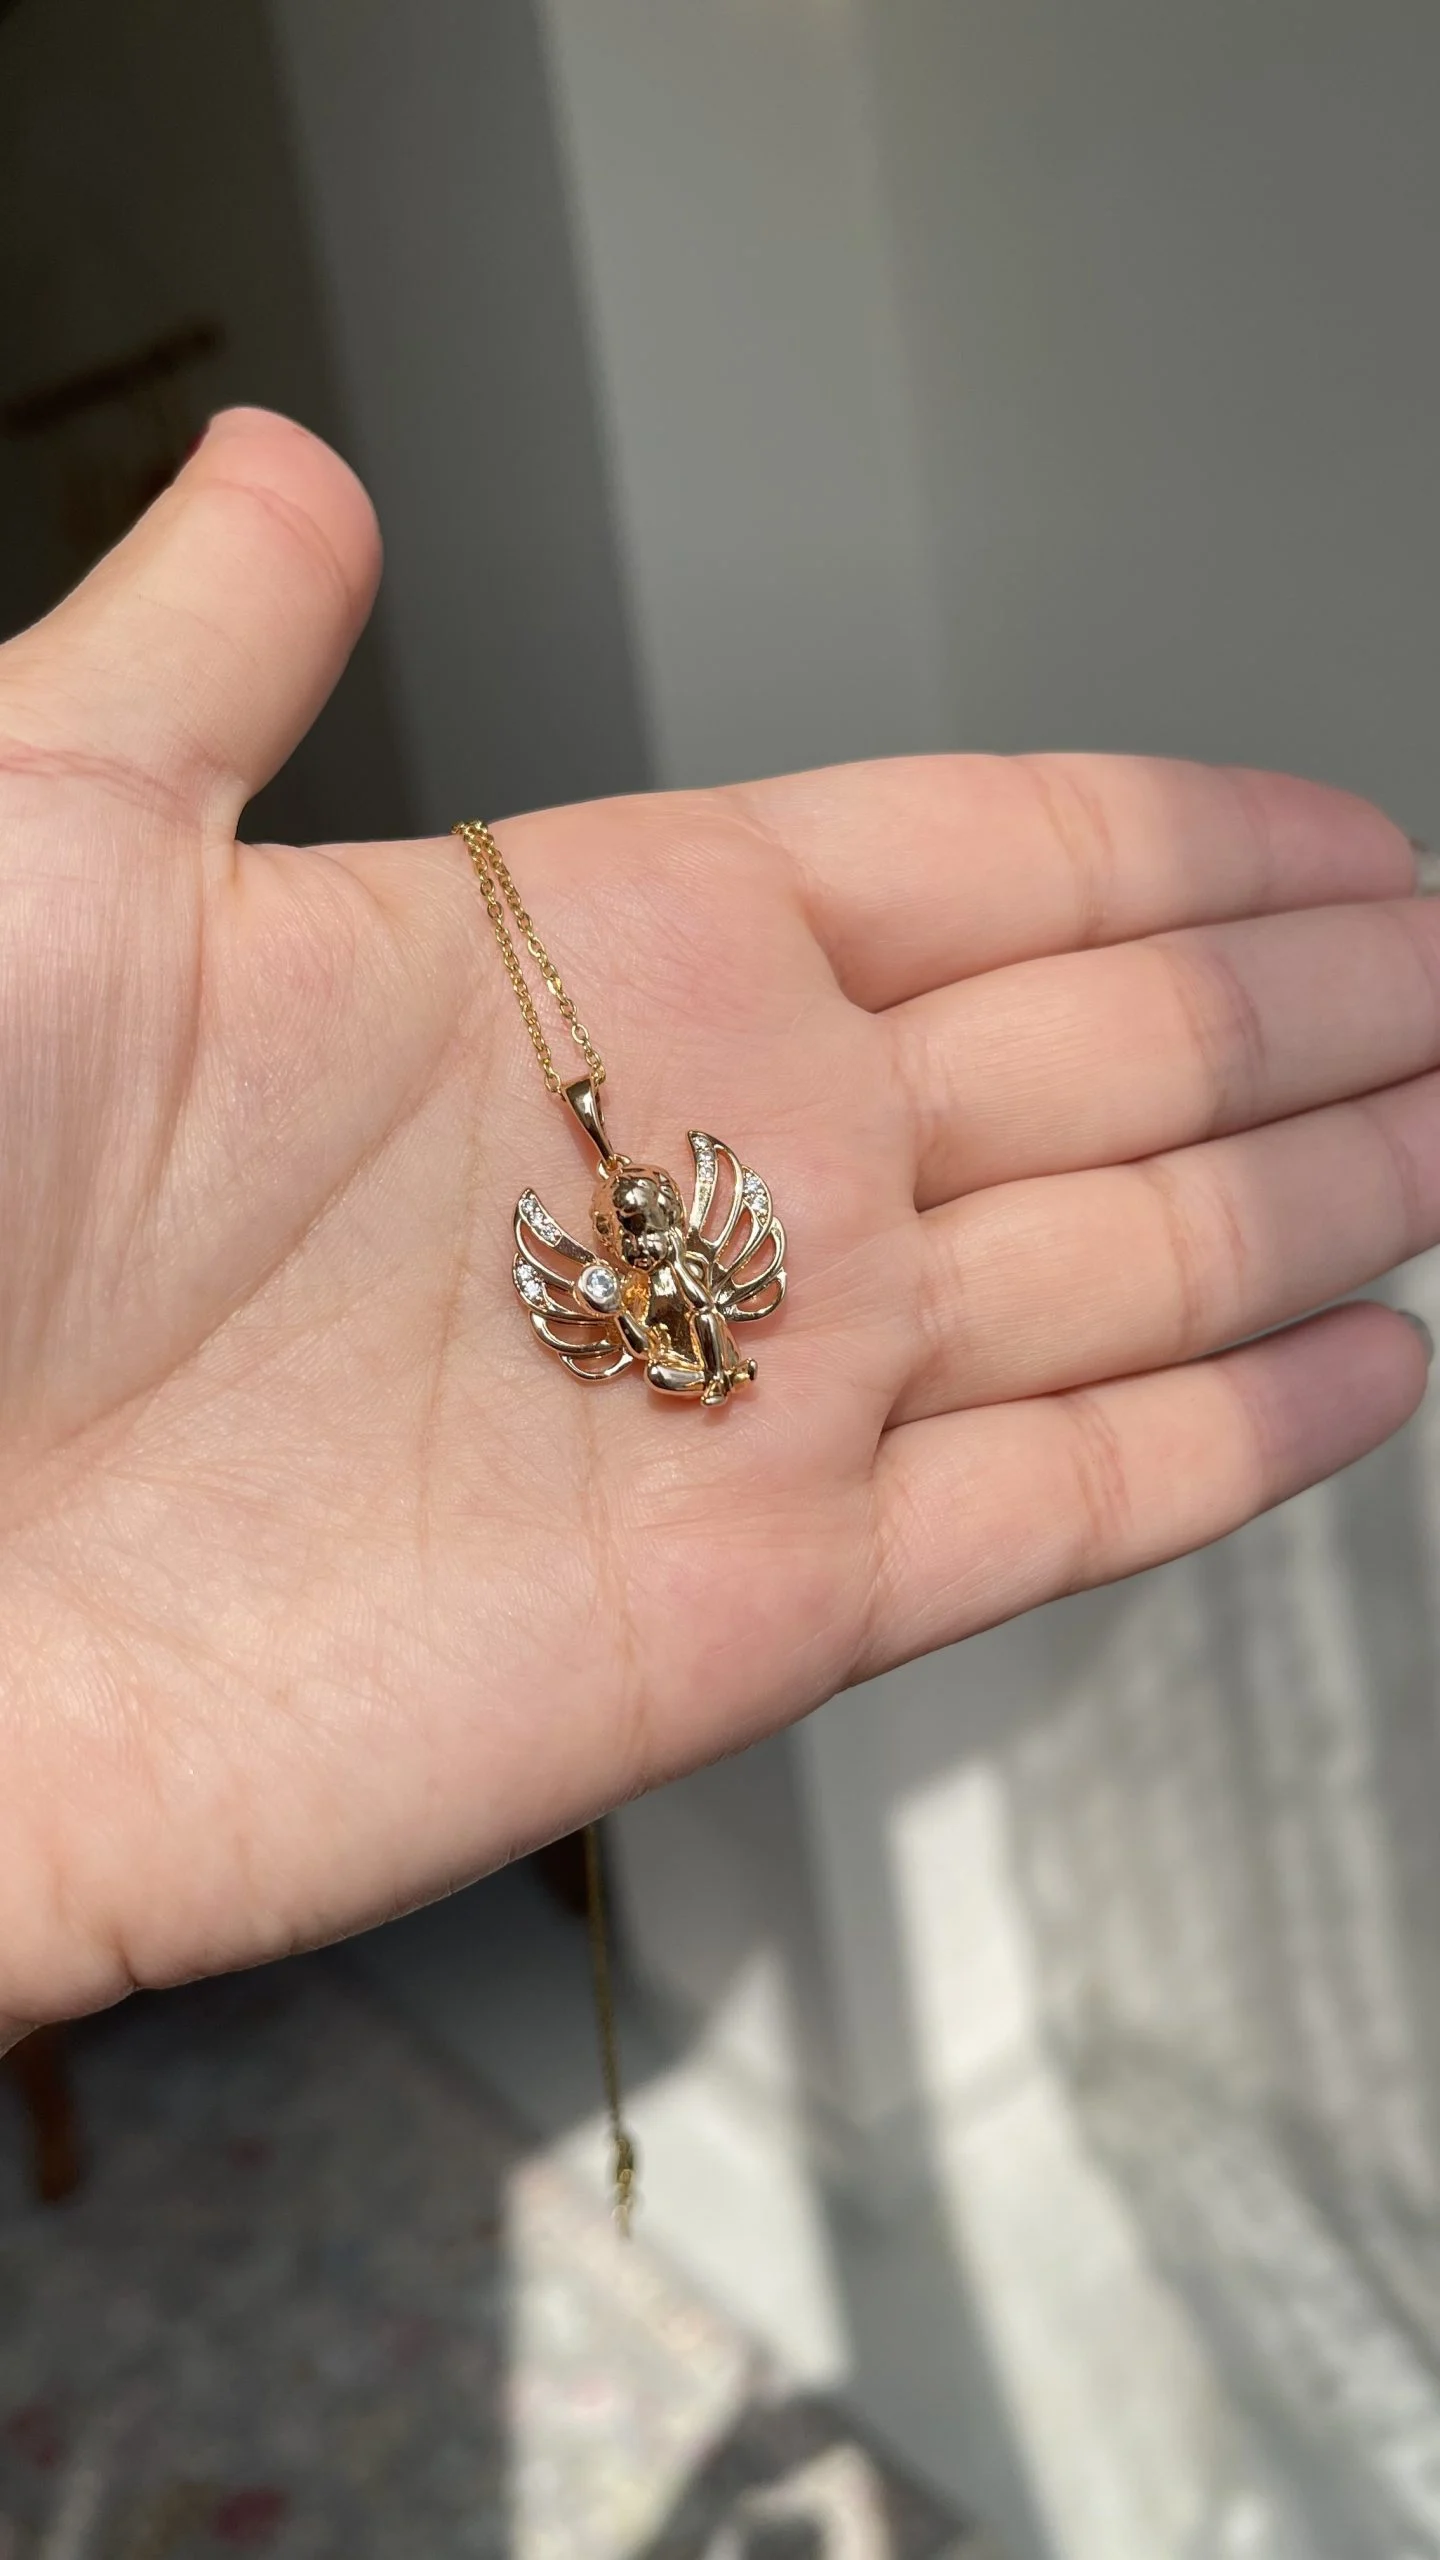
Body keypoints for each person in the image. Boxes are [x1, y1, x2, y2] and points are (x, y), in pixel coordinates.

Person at [0, 406, 1433, 2052]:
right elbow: (591, 1281)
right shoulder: (626, 1269)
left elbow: (714, 1228)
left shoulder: (684, 1238)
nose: (645, 1229)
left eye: (650, 1224)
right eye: (638, 1231)